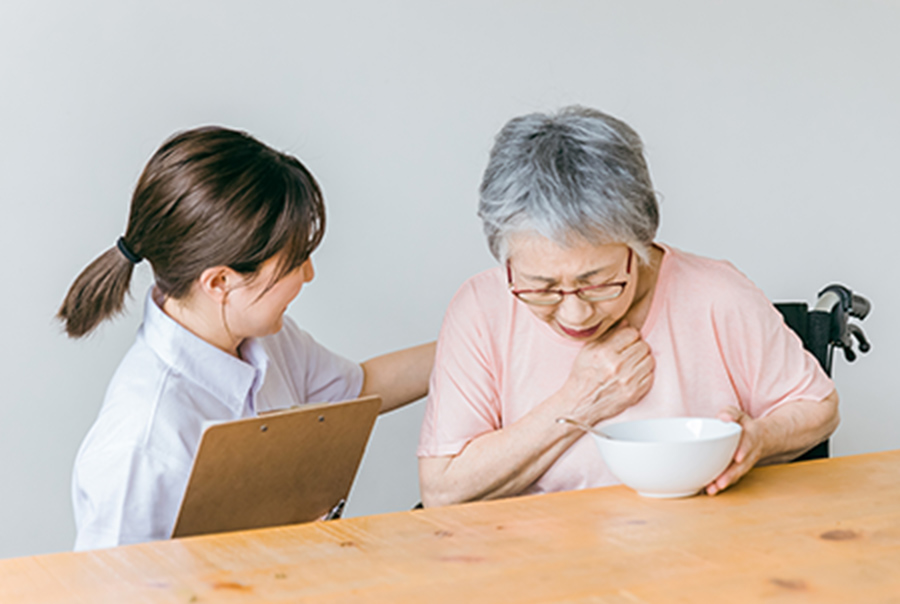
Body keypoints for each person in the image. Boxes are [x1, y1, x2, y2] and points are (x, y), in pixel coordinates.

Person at [418, 106, 838, 506]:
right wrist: (580, 400)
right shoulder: (481, 309)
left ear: (640, 241)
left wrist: (760, 438)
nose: (575, 315)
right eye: (541, 288)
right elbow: (443, 490)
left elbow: (818, 407)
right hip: (535, 550)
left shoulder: (717, 295)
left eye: (597, 283)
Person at [59, 126, 435, 550]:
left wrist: (478, 339)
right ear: (220, 281)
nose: (309, 273)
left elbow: (359, 388)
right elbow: (112, 583)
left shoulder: (263, 339)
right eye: (295, 261)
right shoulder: (141, 446)